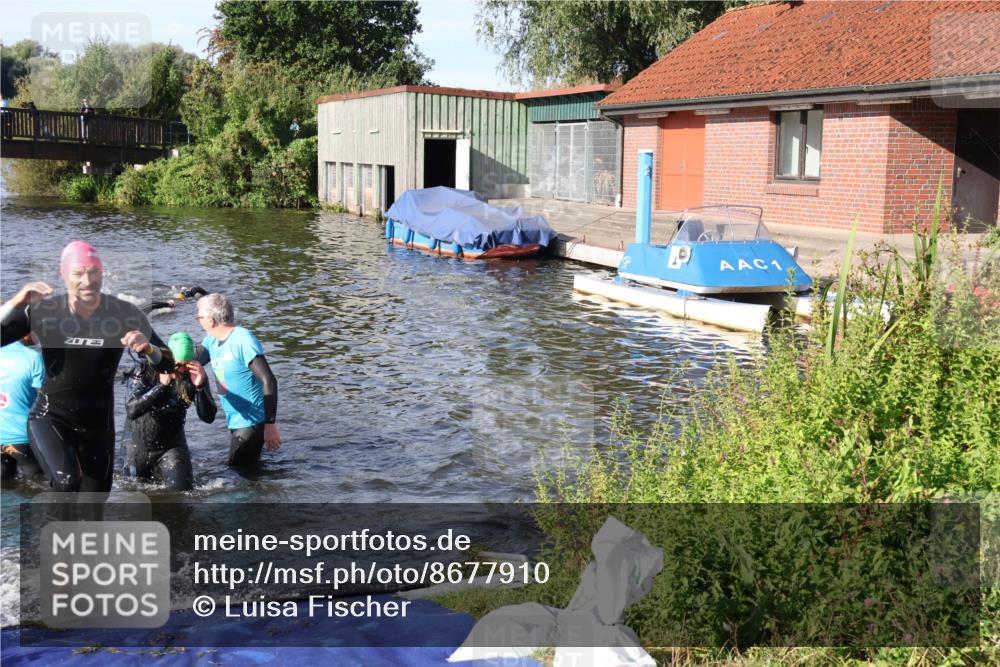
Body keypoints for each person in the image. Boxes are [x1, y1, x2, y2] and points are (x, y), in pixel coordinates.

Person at [0, 241, 175, 492]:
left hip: (98, 425)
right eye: (78, 273)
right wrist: (15, 303)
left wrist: (149, 349)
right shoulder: (45, 311)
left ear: (102, 274)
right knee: (67, 482)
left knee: (95, 502)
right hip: (51, 417)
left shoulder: (124, 313)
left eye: (94, 272)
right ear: (63, 274)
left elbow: (168, 364)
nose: (87, 281)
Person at [194, 293, 280, 470]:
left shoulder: (242, 339)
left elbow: (269, 380)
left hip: (251, 422)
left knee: (238, 473)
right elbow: (195, 358)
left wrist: (270, 425)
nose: (198, 321)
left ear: (211, 320)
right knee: (249, 472)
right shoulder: (212, 340)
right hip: (235, 420)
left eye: (199, 317)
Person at [123, 332, 216, 491]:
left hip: (171, 447)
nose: (183, 370)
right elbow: (132, 410)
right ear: (170, 360)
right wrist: (162, 387)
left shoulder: (196, 374)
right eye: (178, 365)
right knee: (133, 493)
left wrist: (200, 387)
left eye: (187, 365)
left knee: (183, 492)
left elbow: (208, 417)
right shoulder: (145, 369)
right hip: (137, 448)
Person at [0, 325, 45, 480]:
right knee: (38, 484)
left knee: (5, 484)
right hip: (23, 437)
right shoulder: (33, 357)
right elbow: (47, 399)